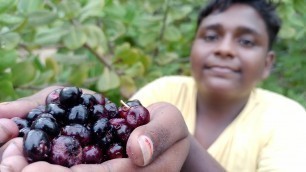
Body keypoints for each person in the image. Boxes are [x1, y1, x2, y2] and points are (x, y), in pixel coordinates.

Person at [1, 0, 306, 171]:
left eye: (246, 41)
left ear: (267, 63)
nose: (225, 49)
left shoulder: (288, 120)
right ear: (192, 48)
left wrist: (184, 145)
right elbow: (117, 133)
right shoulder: (166, 88)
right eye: (211, 36)